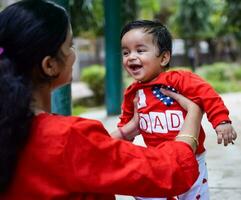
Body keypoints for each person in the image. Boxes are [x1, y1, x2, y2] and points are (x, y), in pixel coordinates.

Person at [0, 1, 203, 199]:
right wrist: (193, 113)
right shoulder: (67, 138)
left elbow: (85, 157)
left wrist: (125, 131)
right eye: (70, 45)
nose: (73, 54)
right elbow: (169, 171)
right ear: (49, 65)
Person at [118, 20, 237, 200]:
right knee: (145, 191)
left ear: (164, 58)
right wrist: (121, 149)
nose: (131, 57)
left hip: (192, 156)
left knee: (195, 194)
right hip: (158, 159)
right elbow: (126, 124)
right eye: (126, 52)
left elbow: (207, 95)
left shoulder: (179, 79)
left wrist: (221, 120)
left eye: (140, 50)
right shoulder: (133, 93)